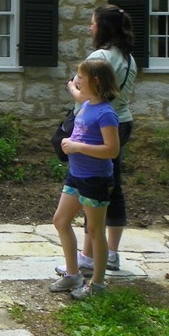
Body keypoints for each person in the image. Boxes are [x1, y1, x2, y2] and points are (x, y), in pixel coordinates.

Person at [60, 5, 137, 275]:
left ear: (102, 27)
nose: (89, 28)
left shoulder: (100, 56)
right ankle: (111, 251)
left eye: (92, 23)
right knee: (113, 187)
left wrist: (72, 87)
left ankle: (90, 256)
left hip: (99, 127)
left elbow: (92, 99)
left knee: (94, 188)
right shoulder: (128, 57)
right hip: (122, 121)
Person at [50, 58, 121, 299]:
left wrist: (77, 146)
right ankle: (73, 274)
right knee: (60, 220)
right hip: (76, 176)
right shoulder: (88, 104)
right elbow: (78, 95)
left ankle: (97, 285)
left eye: (80, 77)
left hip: (95, 179)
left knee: (94, 230)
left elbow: (112, 150)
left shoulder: (106, 114)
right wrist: (71, 87)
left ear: (95, 81)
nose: (76, 80)